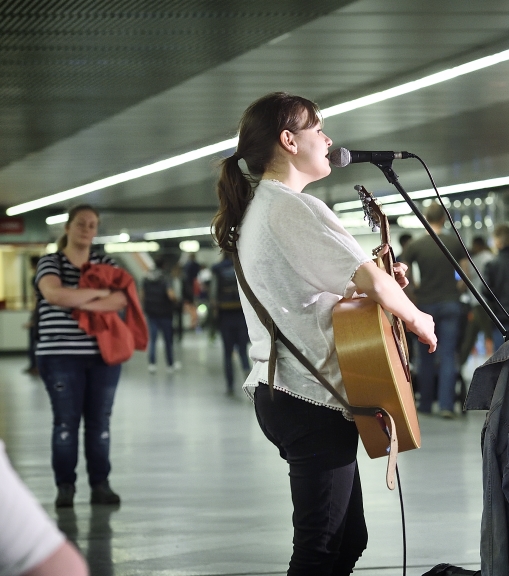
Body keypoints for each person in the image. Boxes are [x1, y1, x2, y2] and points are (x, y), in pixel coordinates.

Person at [213, 93, 436, 572]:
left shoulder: (264, 210)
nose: (328, 138)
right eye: (318, 128)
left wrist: (376, 290)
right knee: (320, 547)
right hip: (307, 396)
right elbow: (369, 279)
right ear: (289, 141)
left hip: (289, 393)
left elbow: (316, 298)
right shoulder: (291, 207)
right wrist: (416, 317)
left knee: (347, 538)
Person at [34, 204, 130, 507]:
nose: (87, 229)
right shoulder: (50, 262)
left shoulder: (104, 261)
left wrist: (78, 300)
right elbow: (53, 294)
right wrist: (96, 295)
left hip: (103, 355)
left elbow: (119, 300)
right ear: (67, 228)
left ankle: (100, 484)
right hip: (59, 356)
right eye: (81, 224)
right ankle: (65, 486)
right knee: (65, 422)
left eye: (92, 225)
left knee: (100, 422)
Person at [0, 412, 89, 575]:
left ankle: (94, 483)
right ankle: (66, 486)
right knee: (67, 424)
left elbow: (59, 569)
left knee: (94, 422)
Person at [399, 202, 469, 419]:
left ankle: (426, 404)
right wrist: (456, 289)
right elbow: (466, 273)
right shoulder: (453, 242)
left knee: (425, 355)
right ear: (444, 219)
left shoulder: (417, 245)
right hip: (450, 302)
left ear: (426, 218)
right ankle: (446, 405)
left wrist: (414, 292)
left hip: (425, 304)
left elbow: (404, 274)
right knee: (448, 354)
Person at [210, 252, 251, 393]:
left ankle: (230, 384)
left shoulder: (217, 269)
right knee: (243, 351)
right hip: (241, 315)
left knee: (228, 353)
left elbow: (213, 294)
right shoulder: (242, 266)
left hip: (225, 316)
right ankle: (249, 378)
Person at [457, 235, 494, 366]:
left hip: (478, 303)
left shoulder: (475, 260)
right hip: (486, 303)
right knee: (481, 335)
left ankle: (459, 365)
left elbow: (466, 277)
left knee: (475, 336)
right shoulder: (491, 258)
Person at [142, 256, 180, 372]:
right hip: (165, 313)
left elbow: (142, 295)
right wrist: (176, 300)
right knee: (168, 340)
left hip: (151, 312)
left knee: (152, 340)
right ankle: (170, 364)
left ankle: (152, 364)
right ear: (164, 265)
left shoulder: (147, 278)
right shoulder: (166, 278)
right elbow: (170, 295)